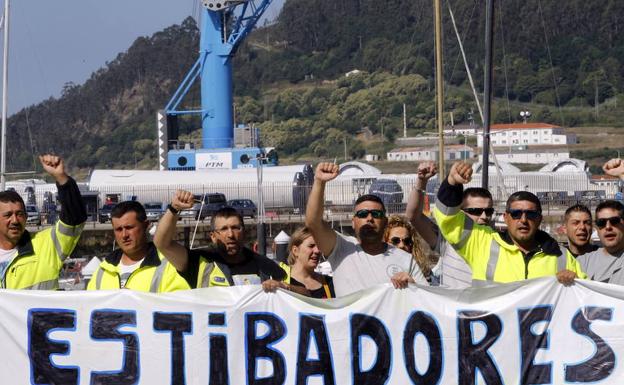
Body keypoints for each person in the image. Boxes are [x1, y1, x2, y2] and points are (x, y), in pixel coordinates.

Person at [433, 161, 585, 285]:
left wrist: (574, 281)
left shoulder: (562, 256)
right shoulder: (481, 243)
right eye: (516, 214)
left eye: (531, 214)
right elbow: (448, 218)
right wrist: (452, 183)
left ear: (540, 219)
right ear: (505, 217)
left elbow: (587, 296)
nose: (523, 220)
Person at [305, 162, 427, 297]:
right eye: (363, 214)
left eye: (376, 214)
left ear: (385, 222)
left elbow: (428, 299)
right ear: (353, 222)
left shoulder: (405, 258)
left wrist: (412, 285)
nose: (369, 218)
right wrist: (319, 182)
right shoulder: (340, 248)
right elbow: (313, 223)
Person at [154, 190, 289, 290]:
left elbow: (304, 291)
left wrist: (284, 287)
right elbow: (162, 243)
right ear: (213, 236)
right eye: (224, 229)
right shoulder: (199, 263)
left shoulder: (264, 265)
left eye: (235, 228)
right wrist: (174, 209)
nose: (230, 234)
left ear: (244, 232)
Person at [0, 154, 86, 290]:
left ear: (26, 217)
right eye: (8, 215)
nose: (15, 220)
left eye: (20, 214)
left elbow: (74, 219)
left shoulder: (49, 245)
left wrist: (62, 178)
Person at [407, 161, 494, 288]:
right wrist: (422, 182)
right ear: (459, 212)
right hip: (454, 306)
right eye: (476, 211)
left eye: (489, 211)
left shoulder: (501, 242)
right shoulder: (446, 241)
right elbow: (414, 217)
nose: (484, 216)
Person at [87, 201, 189, 292]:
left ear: (146, 226)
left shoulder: (168, 266)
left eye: (129, 227)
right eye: (118, 229)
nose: (124, 235)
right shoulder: (102, 271)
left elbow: (178, 308)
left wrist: (136, 301)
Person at [575, 201, 624, 284]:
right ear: (597, 229)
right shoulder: (582, 262)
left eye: (614, 221)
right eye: (601, 222)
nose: (608, 227)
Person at [279, 227, 335, 298]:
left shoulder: (329, 283)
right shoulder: (280, 282)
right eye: (311, 246)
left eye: (319, 246)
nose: (317, 251)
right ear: (295, 251)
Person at [384, 215, 436, 284]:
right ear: (384, 241)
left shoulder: (425, 271)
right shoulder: (376, 266)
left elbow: (431, 293)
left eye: (407, 241)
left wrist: (413, 284)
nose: (402, 245)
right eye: (395, 240)